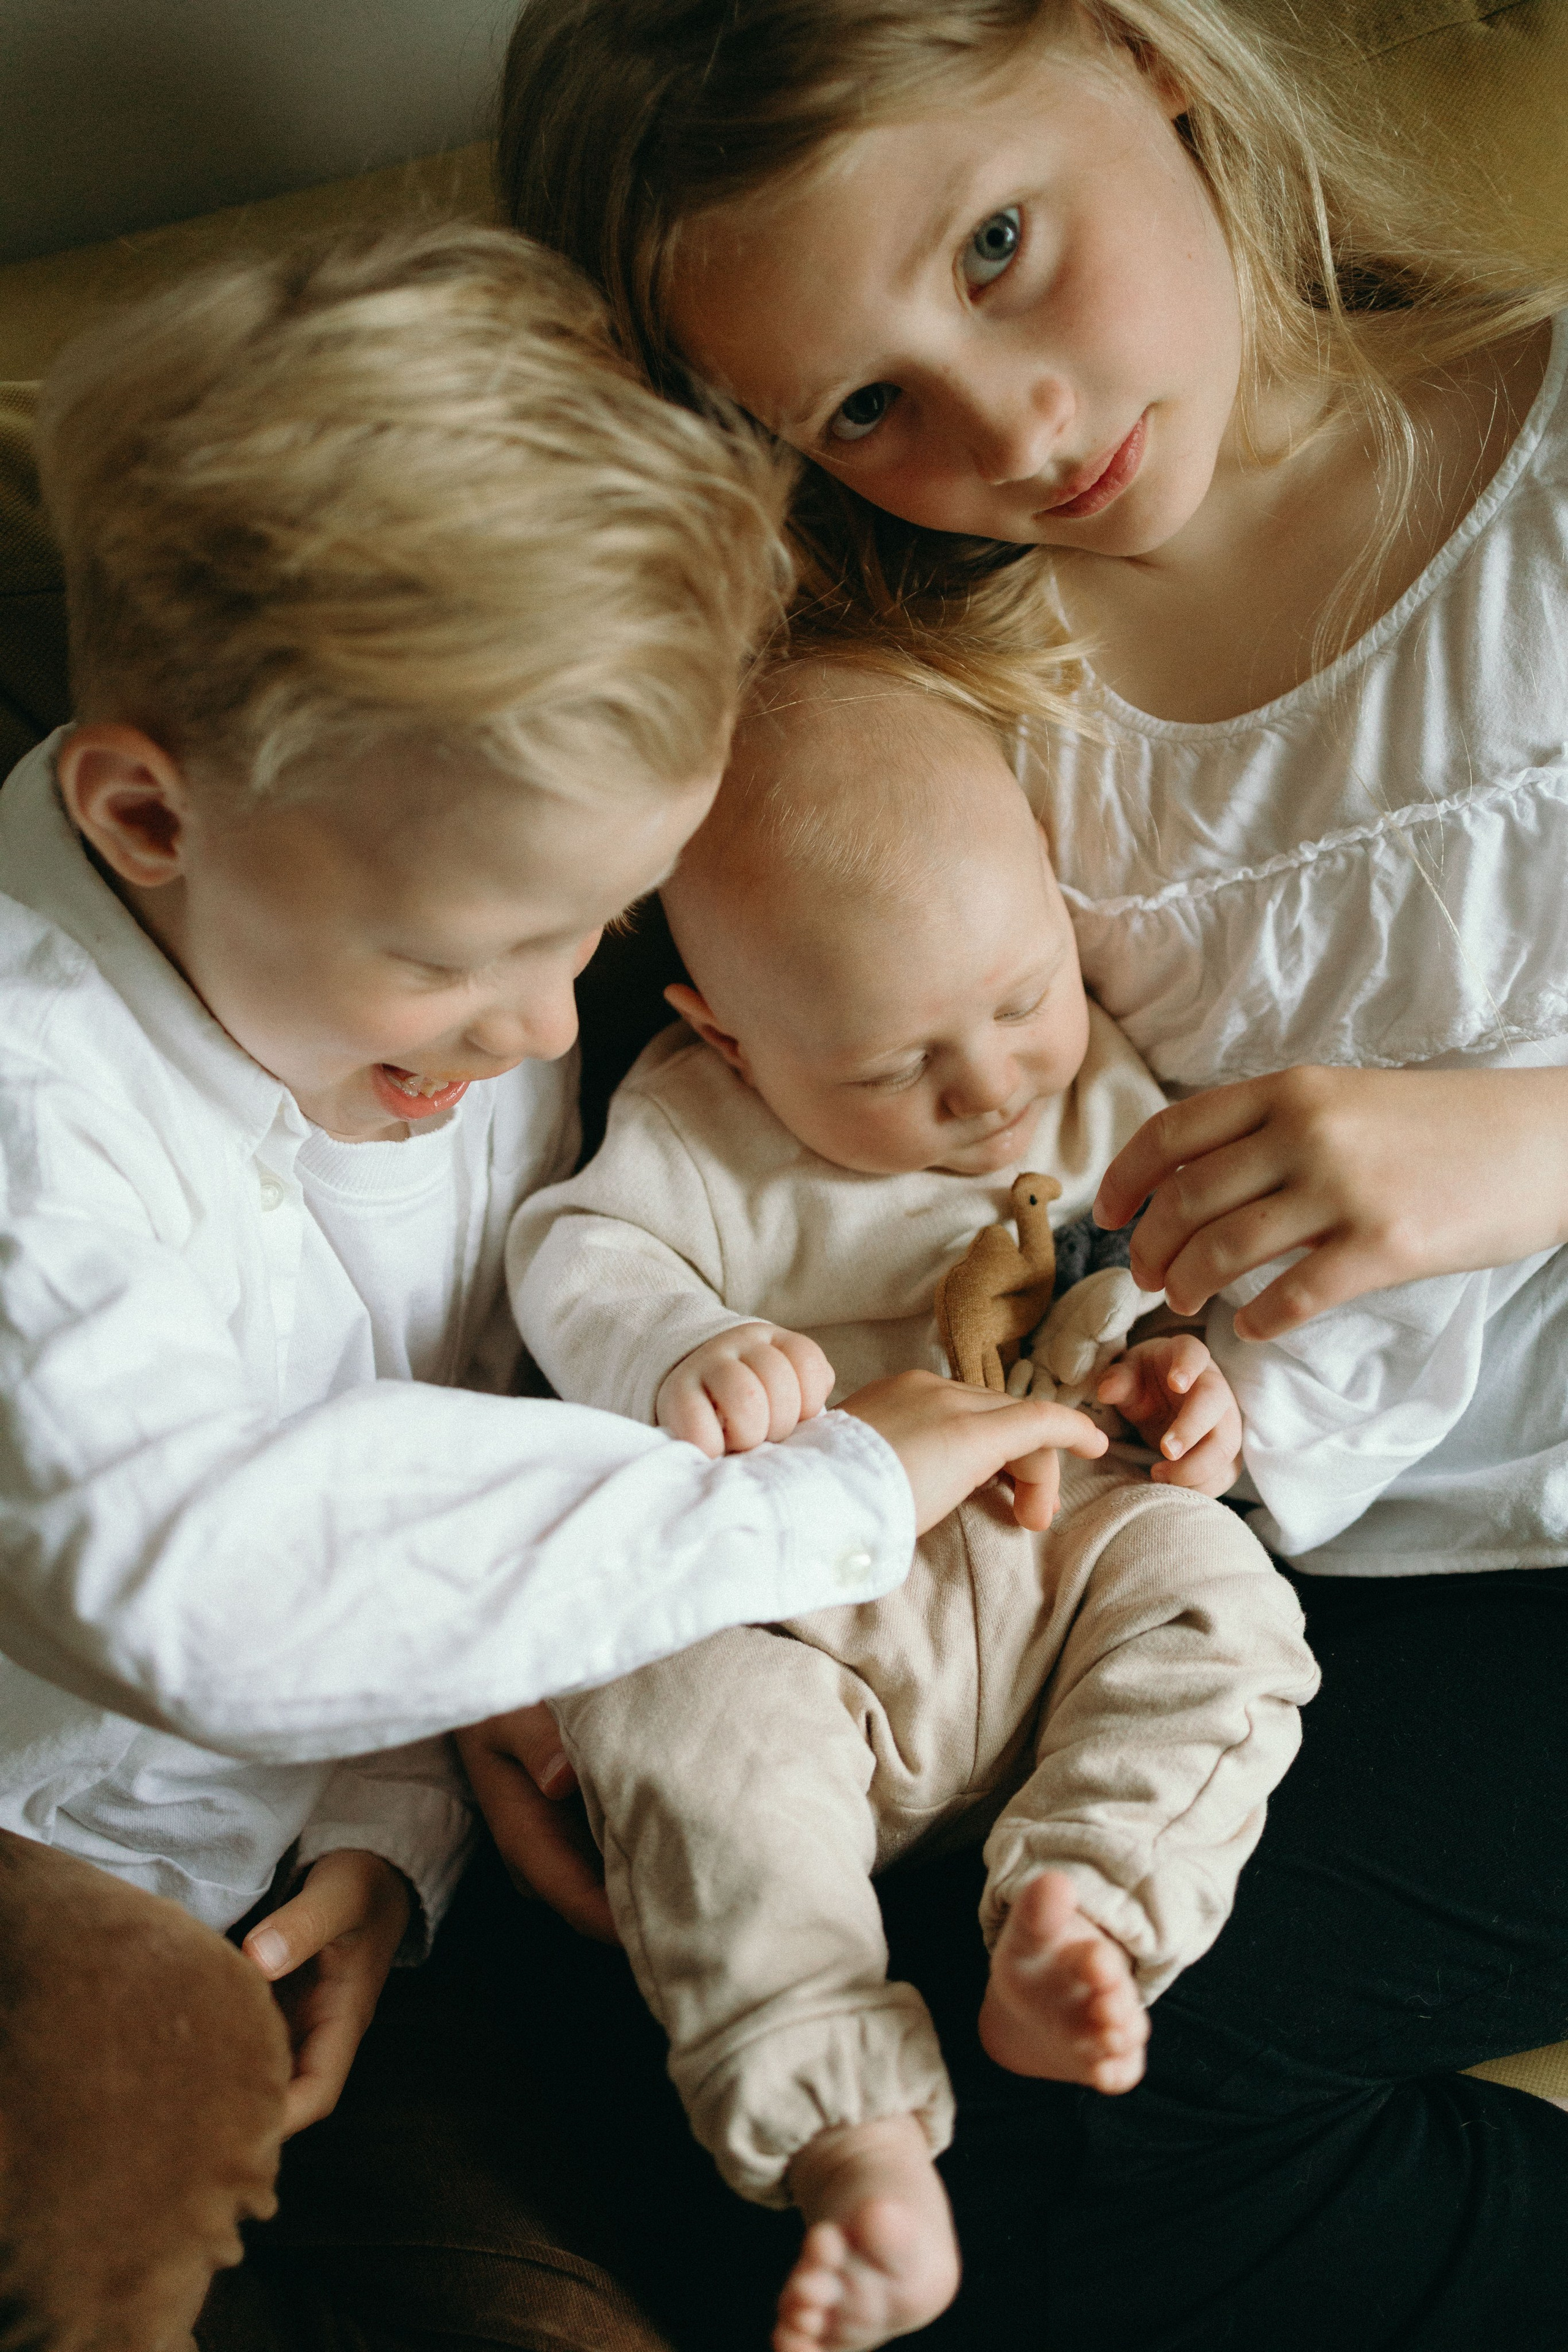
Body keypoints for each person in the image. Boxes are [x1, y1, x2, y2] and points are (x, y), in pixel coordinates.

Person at [486, 2, 1568, 2343]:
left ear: (1140, 58)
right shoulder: (903, 680)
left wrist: (1534, 1143)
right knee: (716, 2088)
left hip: (1542, 1565)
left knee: (1145, 2119)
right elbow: (619, 1174)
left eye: (998, 246)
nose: (1013, 434)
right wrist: (529, 1640)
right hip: (1217, 1527)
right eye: (862, 407)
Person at [0, 223, 1084, 2347]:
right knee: (120, 2102)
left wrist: (399, 1832)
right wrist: (831, 1491)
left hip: (294, 1865)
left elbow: (451, 1418)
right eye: (460, 953)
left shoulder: (427, 976)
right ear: (147, 810)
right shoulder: (30, 1094)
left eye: (578, 939)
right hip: (51, 1849)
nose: (525, 1029)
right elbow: (195, 1572)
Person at [508, 654, 1319, 2352]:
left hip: (1062, 1538)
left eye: (1024, 997)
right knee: (681, 1721)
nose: (988, 1085)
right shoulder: (697, 1134)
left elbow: (1176, 1301)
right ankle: (844, 2132)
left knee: (1225, 1611)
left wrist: (1191, 1385)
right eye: (894, 1064)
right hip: (808, 1606)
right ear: (724, 1031)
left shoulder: (1114, 1095)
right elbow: (571, 1256)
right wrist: (688, 1344)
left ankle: (1083, 1911)